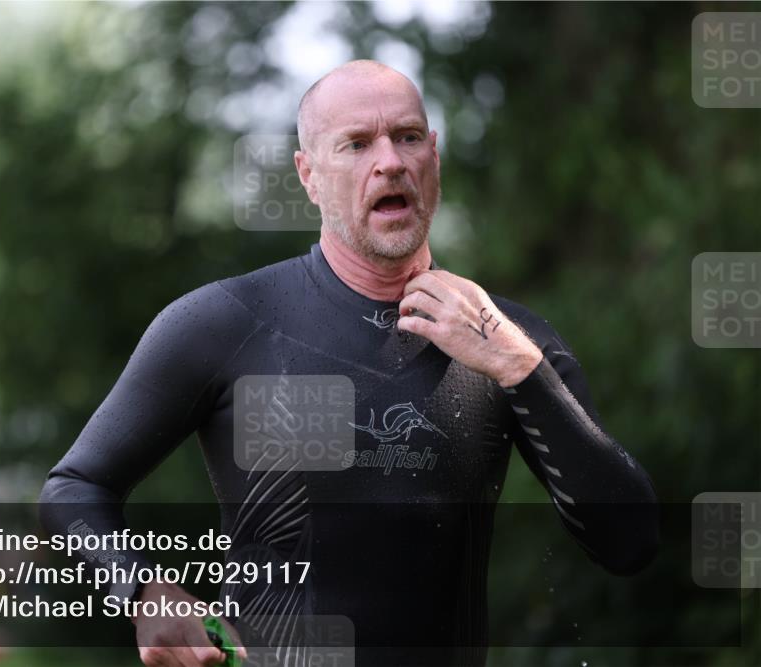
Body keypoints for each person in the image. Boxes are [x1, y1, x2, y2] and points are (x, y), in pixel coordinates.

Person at [40, 60, 659, 667]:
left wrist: (521, 367)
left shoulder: (509, 341)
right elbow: (72, 489)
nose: (389, 160)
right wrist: (143, 591)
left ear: (433, 159)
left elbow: (629, 544)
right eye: (357, 144)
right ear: (308, 175)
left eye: (408, 137)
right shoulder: (226, 322)